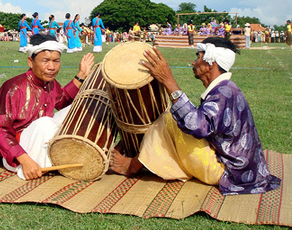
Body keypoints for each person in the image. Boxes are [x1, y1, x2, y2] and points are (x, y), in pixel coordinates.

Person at [109, 37, 281, 195]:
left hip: (230, 173)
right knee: (172, 119)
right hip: (240, 170)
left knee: (169, 119)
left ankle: (132, 166)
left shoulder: (224, 93)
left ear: (210, 64)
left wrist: (168, 80)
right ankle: (148, 161)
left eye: (198, 57)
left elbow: (198, 127)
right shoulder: (226, 89)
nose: (194, 62)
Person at [0, 34, 95, 180]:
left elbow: (64, 101)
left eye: (56, 61)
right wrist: (25, 161)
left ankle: (74, 153)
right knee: (46, 123)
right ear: (31, 61)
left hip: (41, 138)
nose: (51, 67)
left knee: (80, 108)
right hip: (18, 155)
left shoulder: (50, 84)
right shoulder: (13, 88)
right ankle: (40, 163)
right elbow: (1, 131)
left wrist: (81, 75)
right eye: (45, 61)